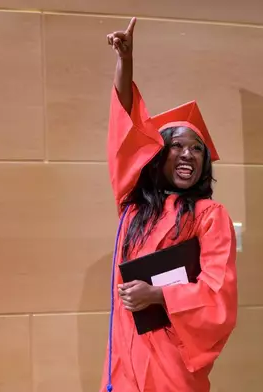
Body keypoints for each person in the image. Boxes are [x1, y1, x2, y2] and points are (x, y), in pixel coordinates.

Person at [100, 17, 238, 392]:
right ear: (158, 155)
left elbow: (218, 295)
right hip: (125, 354)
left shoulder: (209, 216)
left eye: (197, 149)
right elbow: (124, 136)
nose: (188, 154)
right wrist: (124, 64)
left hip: (172, 356)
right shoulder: (132, 207)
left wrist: (157, 294)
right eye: (177, 145)